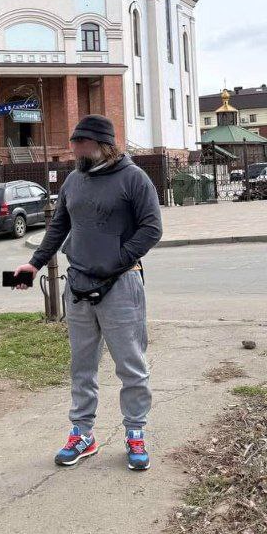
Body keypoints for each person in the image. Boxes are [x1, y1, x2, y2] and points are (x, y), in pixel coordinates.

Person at [13, 113, 162, 471]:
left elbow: (151, 228)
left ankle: (135, 432)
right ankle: (83, 434)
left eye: (81, 143)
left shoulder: (133, 178)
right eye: (74, 143)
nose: (75, 149)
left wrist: (116, 259)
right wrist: (34, 263)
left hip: (121, 285)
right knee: (82, 366)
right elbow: (59, 226)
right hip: (78, 286)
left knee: (131, 366)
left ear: (103, 145)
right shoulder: (74, 180)